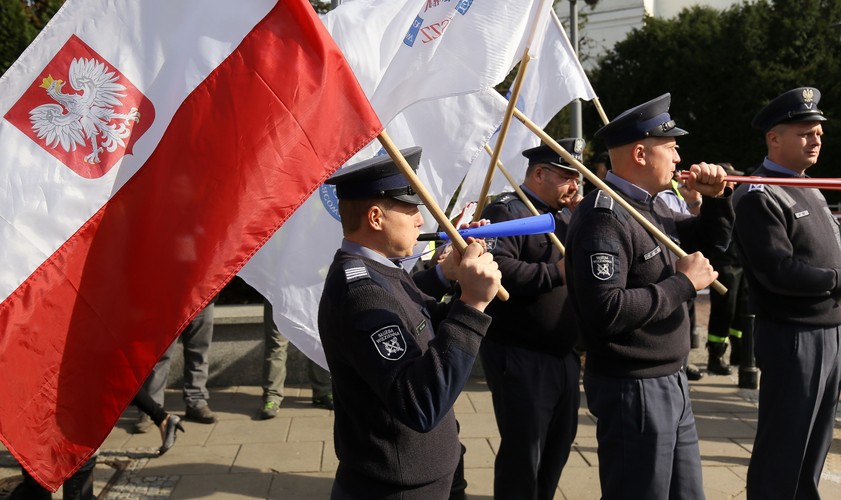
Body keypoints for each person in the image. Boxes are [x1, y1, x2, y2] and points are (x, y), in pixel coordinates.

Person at [565, 93, 733, 499]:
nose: (678, 158)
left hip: (669, 378)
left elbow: (715, 245)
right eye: (671, 147)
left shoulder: (650, 207)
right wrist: (681, 285)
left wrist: (716, 200)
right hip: (633, 388)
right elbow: (605, 310)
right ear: (640, 154)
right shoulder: (604, 217)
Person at [318, 146, 501, 499]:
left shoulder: (381, 269)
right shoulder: (362, 292)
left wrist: (454, 277)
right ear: (375, 217)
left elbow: (420, 319)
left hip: (418, 475)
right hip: (397, 487)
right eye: (410, 207)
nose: (421, 219)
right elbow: (420, 403)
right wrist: (472, 303)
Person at [732, 87, 841, 499]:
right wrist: (837, 279)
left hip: (827, 329)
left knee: (814, 446)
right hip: (794, 336)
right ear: (773, 139)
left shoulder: (805, 184)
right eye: (804, 132)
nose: (816, 139)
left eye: (818, 132)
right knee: (786, 448)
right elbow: (777, 270)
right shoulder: (760, 193)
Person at [478, 139, 584, 499]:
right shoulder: (509, 212)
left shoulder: (570, 215)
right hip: (520, 353)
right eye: (569, 177)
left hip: (563, 353)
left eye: (578, 178)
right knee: (525, 452)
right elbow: (498, 268)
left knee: (557, 446)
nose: (575, 186)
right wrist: (555, 274)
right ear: (540, 173)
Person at [137, 302, 217, 429]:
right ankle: (151, 408)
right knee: (160, 353)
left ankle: (196, 401)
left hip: (204, 292)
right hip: (169, 296)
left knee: (199, 351)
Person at [657, 171, 705, 381]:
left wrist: (695, 202)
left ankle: (683, 364)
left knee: (685, 322)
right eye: (669, 148)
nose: (677, 159)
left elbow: (696, 229)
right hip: (665, 278)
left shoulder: (677, 192)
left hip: (685, 274)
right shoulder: (656, 196)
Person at [259, 300, 334, 419]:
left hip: (308, 290)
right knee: (276, 344)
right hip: (278, 292)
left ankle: (322, 392)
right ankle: (271, 397)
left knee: (317, 339)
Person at [706, 163, 748, 374]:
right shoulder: (717, 201)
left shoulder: (740, 199)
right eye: (731, 178)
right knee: (724, 310)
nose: (735, 182)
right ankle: (716, 354)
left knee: (742, 310)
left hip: (740, 263)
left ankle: (739, 351)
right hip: (724, 263)